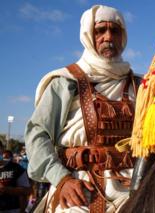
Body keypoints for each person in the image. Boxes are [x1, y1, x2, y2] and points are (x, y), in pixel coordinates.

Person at [25, 5, 139, 213]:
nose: (108, 36)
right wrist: (62, 180)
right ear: (88, 34)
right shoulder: (65, 81)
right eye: (100, 30)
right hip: (79, 186)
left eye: (115, 30)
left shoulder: (141, 85)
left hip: (134, 187)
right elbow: (37, 135)